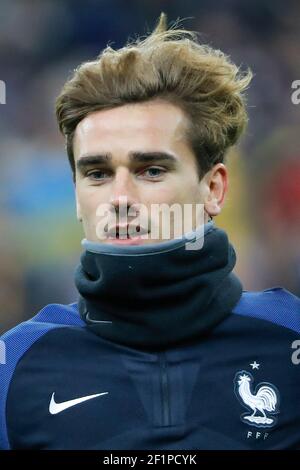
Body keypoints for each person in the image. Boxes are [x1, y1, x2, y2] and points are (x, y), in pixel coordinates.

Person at [1, 13, 299, 451]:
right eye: (98, 173)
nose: (120, 197)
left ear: (213, 188)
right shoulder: (15, 366)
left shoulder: (288, 339)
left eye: (151, 169)